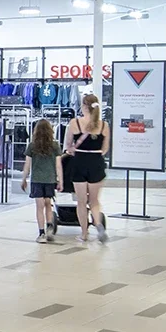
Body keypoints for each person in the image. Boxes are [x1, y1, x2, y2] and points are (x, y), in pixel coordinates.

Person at [64, 93, 110, 243]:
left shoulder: (74, 123)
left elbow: (68, 146)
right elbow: (105, 149)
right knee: (95, 201)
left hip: (79, 162)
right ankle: (98, 223)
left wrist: (73, 150)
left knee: (81, 202)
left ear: (84, 106)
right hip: (96, 162)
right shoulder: (104, 125)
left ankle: (84, 234)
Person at [20, 119, 63, 243]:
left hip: (37, 180)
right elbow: (58, 165)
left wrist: (24, 179)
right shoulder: (55, 146)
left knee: (39, 207)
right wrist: (60, 180)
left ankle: (41, 233)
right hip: (50, 179)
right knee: (48, 204)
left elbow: (27, 165)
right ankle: (50, 227)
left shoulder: (32, 145)